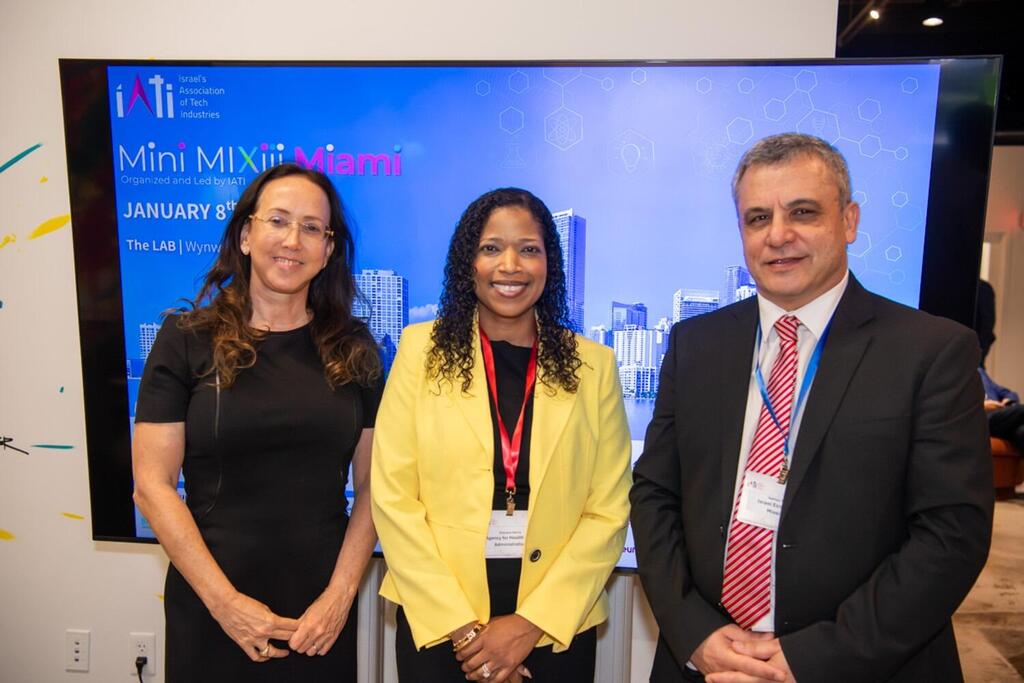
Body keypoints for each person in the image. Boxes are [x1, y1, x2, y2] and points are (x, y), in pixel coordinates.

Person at [630, 133, 993, 682]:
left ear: (848, 221)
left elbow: (951, 535)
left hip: (865, 666)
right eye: (757, 218)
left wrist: (813, 658)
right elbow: (656, 494)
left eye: (803, 212)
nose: (778, 235)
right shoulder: (695, 344)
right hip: (707, 664)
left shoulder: (931, 350)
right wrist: (694, 632)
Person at [132, 163, 382, 682]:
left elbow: (376, 486)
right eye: (278, 221)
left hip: (319, 615)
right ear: (246, 235)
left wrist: (340, 597)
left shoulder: (354, 348)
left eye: (312, 227)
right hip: (212, 602)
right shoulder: (185, 339)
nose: (293, 240)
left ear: (328, 250)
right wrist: (226, 605)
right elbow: (151, 487)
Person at [371, 187, 631, 682]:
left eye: (528, 249)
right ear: (467, 262)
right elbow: (393, 497)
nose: (509, 265)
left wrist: (530, 625)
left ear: (549, 264)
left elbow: (609, 509)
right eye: (491, 248)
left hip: (555, 624)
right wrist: (467, 634)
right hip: (442, 621)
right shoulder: (418, 351)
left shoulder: (594, 366)